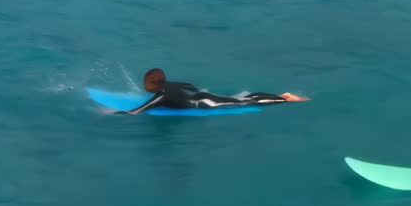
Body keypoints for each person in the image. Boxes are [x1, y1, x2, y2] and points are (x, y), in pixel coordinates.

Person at [125, 68, 309, 115]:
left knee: (246, 102)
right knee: (244, 98)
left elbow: (137, 111)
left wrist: (113, 112)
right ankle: (282, 95)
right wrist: (199, 90)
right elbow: (188, 85)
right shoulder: (170, 84)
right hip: (202, 97)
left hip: (206, 104)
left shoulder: (161, 96)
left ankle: (285, 99)